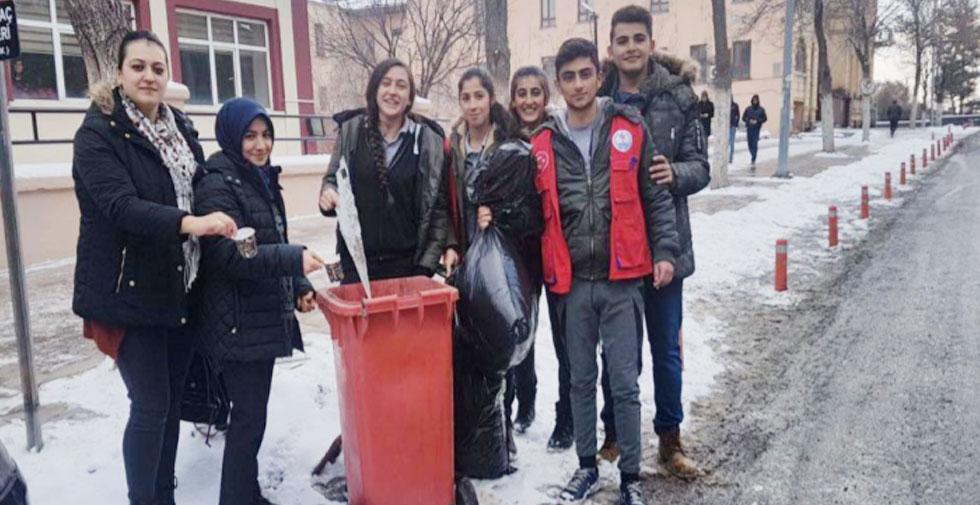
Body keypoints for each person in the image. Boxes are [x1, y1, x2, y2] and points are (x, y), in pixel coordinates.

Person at [71, 30, 237, 505]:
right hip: (127, 289)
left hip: (180, 284)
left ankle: (164, 494)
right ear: (119, 73)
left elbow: (202, 181)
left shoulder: (179, 126)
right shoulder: (98, 133)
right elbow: (119, 206)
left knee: (169, 404)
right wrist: (192, 224)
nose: (149, 76)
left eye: (158, 68)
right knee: (149, 405)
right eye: (138, 66)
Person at [533, 38, 679, 505]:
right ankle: (586, 467)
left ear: (599, 77)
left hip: (622, 281)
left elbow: (655, 196)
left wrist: (665, 251)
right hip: (573, 285)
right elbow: (531, 211)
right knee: (580, 380)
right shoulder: (542, 143)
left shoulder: (629, 128)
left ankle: (631, 476)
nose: (578, 84)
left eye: (585, 74)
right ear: (559, 85)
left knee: (624, 383)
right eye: (568, 77)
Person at [597, 5, 710, 481]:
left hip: (667, 248)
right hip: (614, 251)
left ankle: (669, 439)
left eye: (637, 39)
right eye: (622, 41)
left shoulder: (678, 97)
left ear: (651, 43)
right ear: (610, 48)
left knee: (666, 349)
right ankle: (614, 436)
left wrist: (674, 173)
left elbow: (701, 167)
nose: (630, 48)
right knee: (616, 352)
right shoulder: (598, 100)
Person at [194, 97, 324, 505]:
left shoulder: (259, 179)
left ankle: (246, 493)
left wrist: (298, 283)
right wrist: (294, 259)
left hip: (257, 318)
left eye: (266, 135)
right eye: (250, 136)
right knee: (248, 419)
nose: (260, 144)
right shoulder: (217, 183)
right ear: (232, 137)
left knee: (252, 417)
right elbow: (231, 255)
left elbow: (274, 238)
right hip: (237, 321)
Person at [446, 67, 542, 466]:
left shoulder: (510, 143)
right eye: (466, 98)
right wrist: (452, 246)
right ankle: (484, 432)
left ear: (491, 98)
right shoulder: (453, 145)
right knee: (473, 347)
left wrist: (500, 216)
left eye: (479, 96)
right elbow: (445, 199)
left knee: (506, 343)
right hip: (469, 256)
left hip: (506, 259)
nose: (473, 105)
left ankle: (509, 425)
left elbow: (530, 207)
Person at [318, 58, 453, 282]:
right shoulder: (352, 130)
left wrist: (424, 268)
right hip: (356, 267)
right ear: (374, 90)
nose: (393, 91)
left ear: (410, 97)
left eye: (401, 85)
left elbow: (437, 211)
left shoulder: (428, 140)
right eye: (386, 83)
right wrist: (328, 194)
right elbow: (332, 180)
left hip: (408, 268)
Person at [509, 66, 576, 451]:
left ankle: (566, 417)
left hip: (555, 247)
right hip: (518, 251)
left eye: (535, 92)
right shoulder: (505, 137)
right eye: (522, 93)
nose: (529, 100)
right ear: (513, 98)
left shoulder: (558, 135)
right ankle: (525, 400)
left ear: (546, 97)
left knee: (564, 339)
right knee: (521, 333)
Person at [742, 94, 767, 168]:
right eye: (754, 100)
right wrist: (748, 120)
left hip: (756, 128)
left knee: (755, 143)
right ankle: (752, 153)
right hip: (749, 128)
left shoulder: (761, 110)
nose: (755, 102)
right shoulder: (748, 109)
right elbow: (743, 117)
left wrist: (758, 121)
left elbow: (765, 118)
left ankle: (753, 157)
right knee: (750, 143)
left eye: (756, 100)